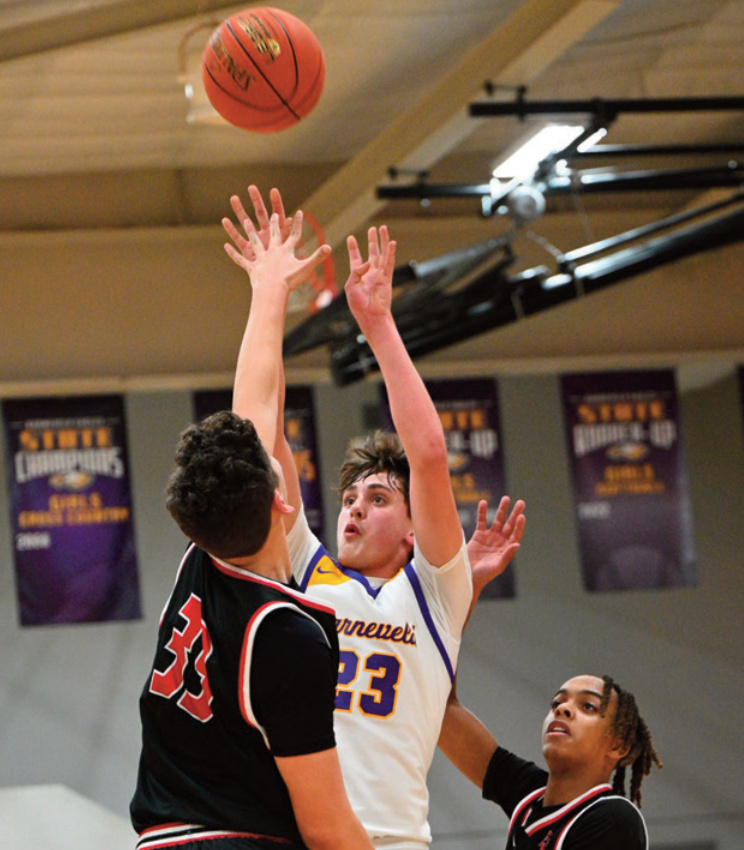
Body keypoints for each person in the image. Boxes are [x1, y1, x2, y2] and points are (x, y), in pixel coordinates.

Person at [222, 186, 525, 850]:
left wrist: (378, 322)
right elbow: (259, 431)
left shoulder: (435, 595)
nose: (355, 508)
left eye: (379, 499)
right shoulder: (305, 570)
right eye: (352, 499)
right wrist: (266, 299)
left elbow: (428, 452)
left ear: (416, 529)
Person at [130, 212, 375, 850]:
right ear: (282, 505)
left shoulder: (201, 558)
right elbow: (326, 825)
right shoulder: (288, 635)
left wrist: (269, 290)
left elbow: (254, 404)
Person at [438, 673, 663, 849]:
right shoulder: (531, 794)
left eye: (588, 706)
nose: (562, 709)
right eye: (557, 702)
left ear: (619, 744)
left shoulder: (616, 820)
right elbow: (443, 711)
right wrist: (448, 625)